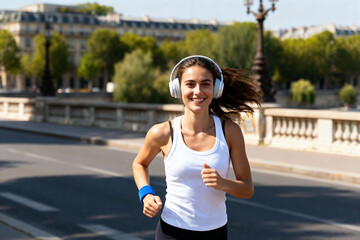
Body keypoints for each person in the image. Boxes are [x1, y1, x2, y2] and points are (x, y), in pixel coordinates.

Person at [132, 55, 262, 240]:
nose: (198, 91)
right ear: (177, 89)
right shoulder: (162, 133)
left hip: (215, 232)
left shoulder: (230, 132)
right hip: (172, 231)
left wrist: (223, 183)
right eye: (190, 84)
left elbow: (247, 189)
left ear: (216, 89)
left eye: (206, 84)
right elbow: (139, 164)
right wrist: (146, 194)